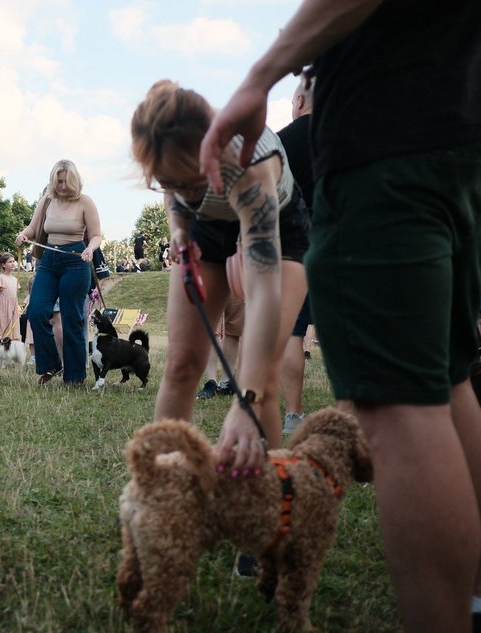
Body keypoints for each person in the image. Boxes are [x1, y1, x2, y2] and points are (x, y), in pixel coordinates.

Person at [198, 3, 481, 630]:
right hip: (456, 134)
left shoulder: (291, 146)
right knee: (452, 380)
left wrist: (261, 73)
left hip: (386, 147)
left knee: (402, 406)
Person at [133, 80, 309, 467]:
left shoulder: (249, 168)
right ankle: (162, 490)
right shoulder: (175, 160)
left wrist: (245, 402)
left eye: (189, 183)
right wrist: (180, 231)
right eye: (167, 182)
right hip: (208, 229)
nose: (179, 191)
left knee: (259, 377)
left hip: (280, 226)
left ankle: (263, 496)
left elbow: (264, 296)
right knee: (181, 364)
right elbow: (175, 193)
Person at [15, 160, 101, 385]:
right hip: (48, 260)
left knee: (72, 318)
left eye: (65, 181)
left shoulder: (85, 202)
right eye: (57, 181)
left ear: (74, 180)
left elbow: (96, 235)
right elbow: (33, 228)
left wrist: (90, 249)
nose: (61, 185)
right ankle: (51, 365)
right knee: (36, 311)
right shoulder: (46, 200)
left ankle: (75, 377)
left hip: (75, 260)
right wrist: (23, 235)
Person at [277, 71, 316, 435]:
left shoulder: (279, 143)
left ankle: (293, 414)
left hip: (293, 248)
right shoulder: (343, 135)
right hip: (340, 243)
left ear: (300, 101)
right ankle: (350, 411)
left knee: (292, 331)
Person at [0, 252, 21, 344]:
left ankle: (12, 345)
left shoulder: (15, 279)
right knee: (3, 326)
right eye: (10, 262)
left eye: (13, 261)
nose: (13, 264)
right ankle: (1, 344)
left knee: (13, 327)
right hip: (3, 307)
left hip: (13, 307)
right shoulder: (1, 278)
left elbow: (15, 294)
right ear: (3, 264)